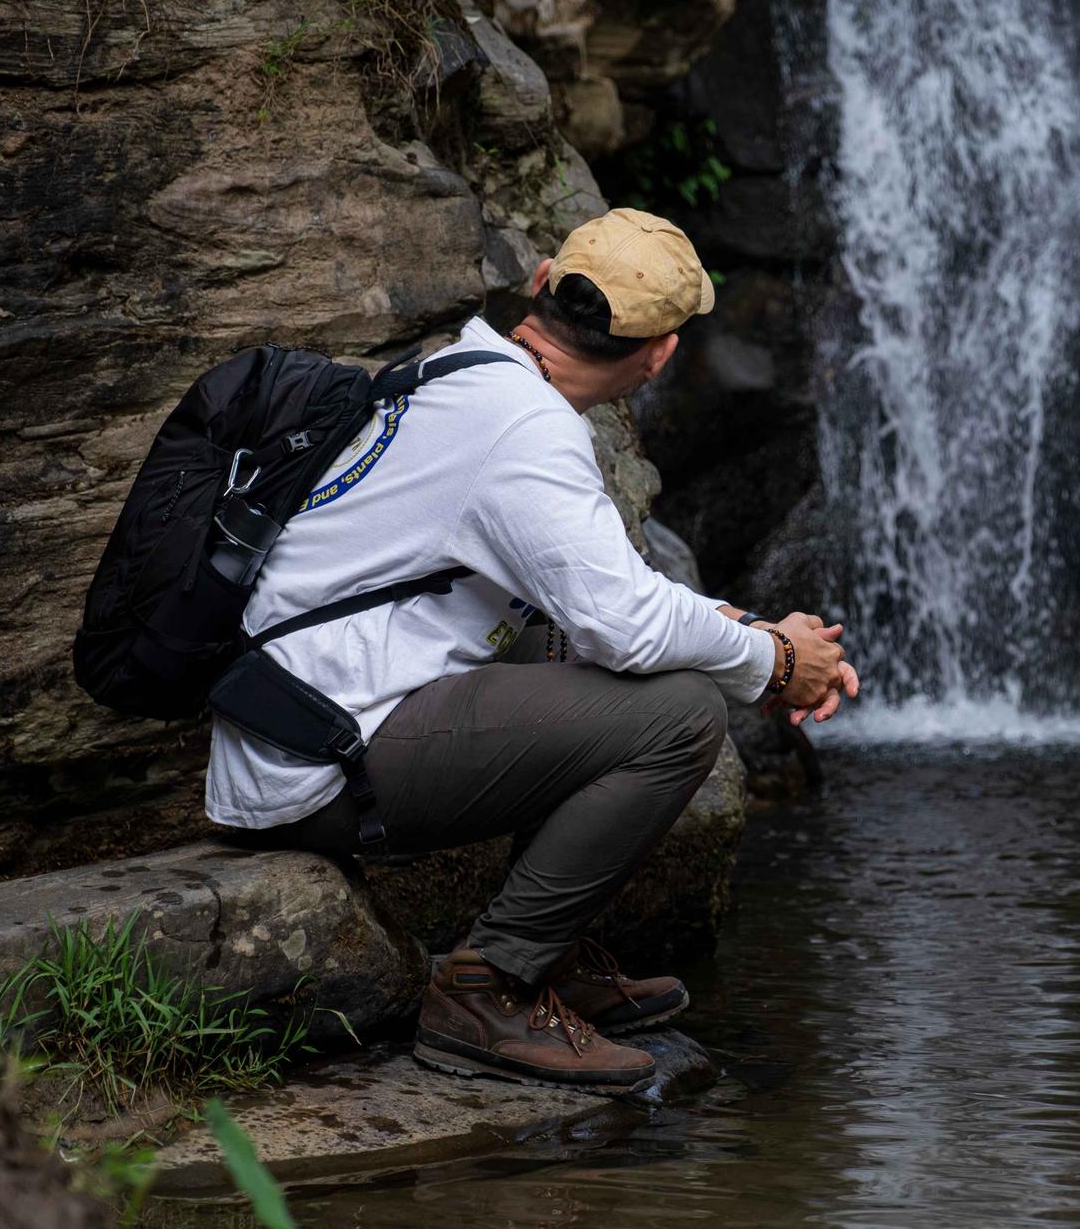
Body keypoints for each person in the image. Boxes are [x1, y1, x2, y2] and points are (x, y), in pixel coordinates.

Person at [205, 208, 860, 1094]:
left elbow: (605, 597)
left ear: (544, 278)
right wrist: (775, 664)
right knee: (680, 714)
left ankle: (546, 951)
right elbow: (630, 624)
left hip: (294, 728)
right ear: (661, 354)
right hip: (317, 764)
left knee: (573, 634)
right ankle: (492, 985)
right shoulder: (525, 433)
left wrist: (759, 636)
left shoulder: (469, 370)